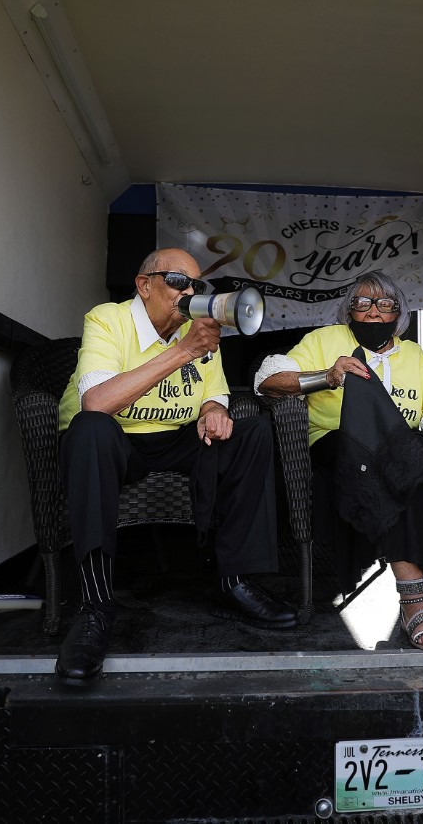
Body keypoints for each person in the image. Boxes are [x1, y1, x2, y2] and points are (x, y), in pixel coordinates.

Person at [55, 247, 296, 684]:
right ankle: (94, 606)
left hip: (175, 436)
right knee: (90, 427)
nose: (188, 291)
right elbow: (97, 402)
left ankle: (235, 581)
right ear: (144, 285)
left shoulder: (199, 329)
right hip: (112, 440)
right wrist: (184, 351)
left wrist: (213, 409)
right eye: (176, 280)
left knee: (253, 431)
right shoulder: (107, 319)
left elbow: (215, 389)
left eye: (196, 284)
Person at [256, 271, 423, 652]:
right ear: (349, 310)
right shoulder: (325, 340)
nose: (374, 312)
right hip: (338, 447)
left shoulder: (411, 353)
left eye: (385, 304)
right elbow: (267, 380)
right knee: (400, 456)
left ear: (399, 313)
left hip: (402, 447)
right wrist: (326, 376)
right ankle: (414, 602)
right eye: (363, 303)